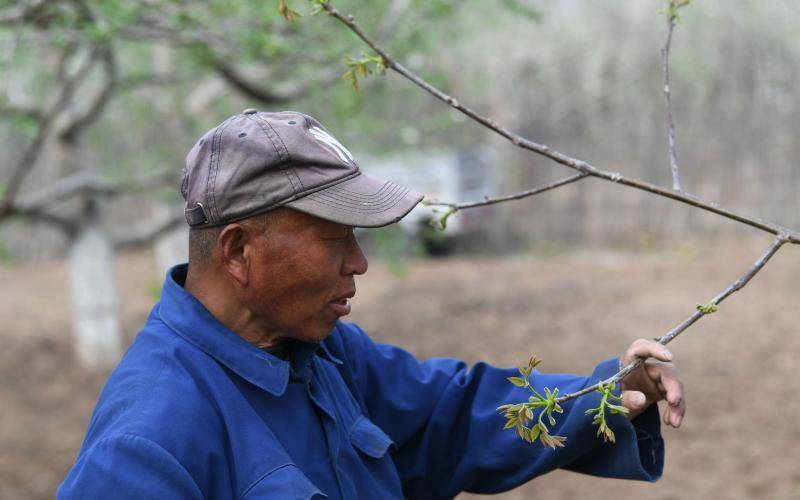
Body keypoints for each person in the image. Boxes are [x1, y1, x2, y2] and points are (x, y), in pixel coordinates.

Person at [58, 110, 685, 499]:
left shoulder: (323, 354)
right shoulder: (150, 441)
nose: (358, 263)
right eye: (335, 240)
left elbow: (450, 414)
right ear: (238, 251)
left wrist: (606, 394)